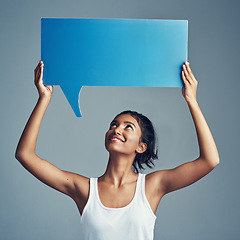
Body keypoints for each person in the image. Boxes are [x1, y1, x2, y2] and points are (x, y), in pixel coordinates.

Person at [15, 61, 219, 240]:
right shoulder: (85, 190)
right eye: (114, 124)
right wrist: (44, 98)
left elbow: (210, 160)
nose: (116, 129)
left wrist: (192, 100)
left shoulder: (152, 186)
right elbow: (25, 155)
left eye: (127, 127)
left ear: (141, 146)